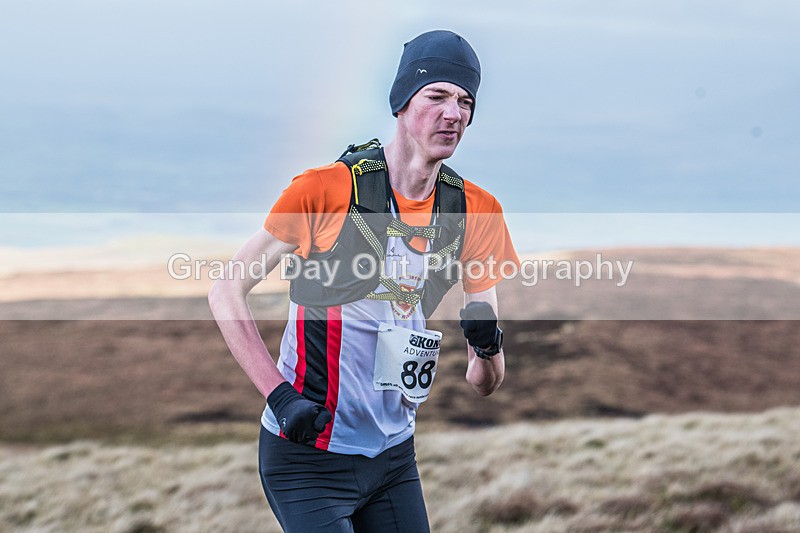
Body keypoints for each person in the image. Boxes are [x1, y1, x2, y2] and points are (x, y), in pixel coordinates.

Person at [209, 29, 519, 532]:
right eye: (437, 96)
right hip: (307, 455)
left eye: (465, 102)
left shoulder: (475, 211)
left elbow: (484, 384)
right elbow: (225, 290)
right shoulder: (325, 189)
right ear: (402, 102)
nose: (453, 114)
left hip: (393, 459)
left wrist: (487, 347)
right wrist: (279, 396)